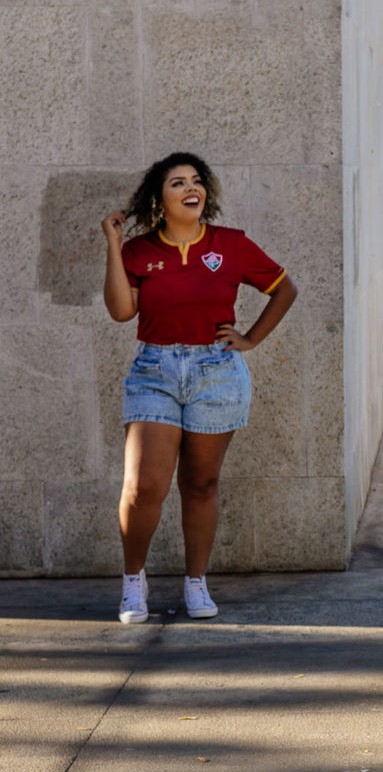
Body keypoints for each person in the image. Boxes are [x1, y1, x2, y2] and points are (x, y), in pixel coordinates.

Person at [101, 152, 298, 625]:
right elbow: (121, 312)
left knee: (200, 483)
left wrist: (250, 338)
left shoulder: (231, 245)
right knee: (144, 485)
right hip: (155, 370)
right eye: (177, 182)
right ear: (159, 198)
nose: (192, 189)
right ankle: (134, 582)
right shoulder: (139, 252)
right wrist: (112, 244)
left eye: (196, 181)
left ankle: (196, 583)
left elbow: (284, 289)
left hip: (216, 372)